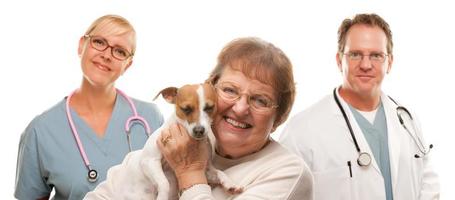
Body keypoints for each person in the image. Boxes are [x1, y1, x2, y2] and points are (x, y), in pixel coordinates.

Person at [85, 37, 314, 199]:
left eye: (260, 100)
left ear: (280, 117)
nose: (241, 108)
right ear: (209, 91)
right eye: (230, 90)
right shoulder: (168, 144)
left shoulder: (288, 174)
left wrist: (190, 172)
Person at [279, 13, 439, 200]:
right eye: (355, 54)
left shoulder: (407, 119)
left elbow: (428, 183)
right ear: (339, 60)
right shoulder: (302, 130)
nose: (365, 64)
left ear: (390, 63)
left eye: (376, 55)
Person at [14, 14, 164, 200]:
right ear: (81, 46)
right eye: (99, 42)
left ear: (128, 64)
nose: (107, 55)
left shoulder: (151, 118)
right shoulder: (40, 130)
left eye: (120, 51)